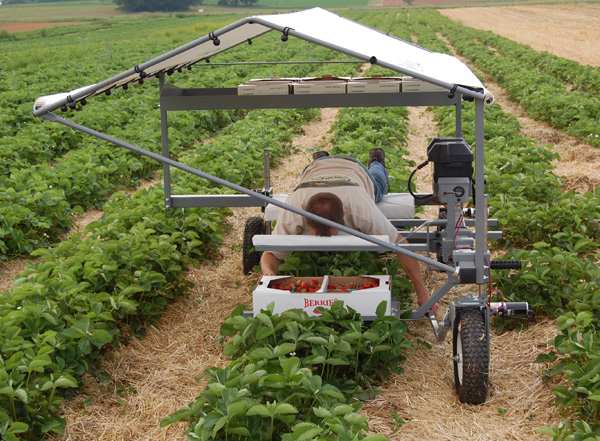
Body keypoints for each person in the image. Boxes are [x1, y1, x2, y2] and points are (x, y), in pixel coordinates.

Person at [260, 148, 439, 316]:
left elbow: (401, 245)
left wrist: (423, 294)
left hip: (354, 169)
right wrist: (268, 273)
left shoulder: (360, 207)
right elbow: (270, 254)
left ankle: (377, 162)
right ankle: (321, 159)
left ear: (345, 215)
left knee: (377, 182)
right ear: (304, 219)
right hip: (314, 171)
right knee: (312, 170)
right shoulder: (294, 208)